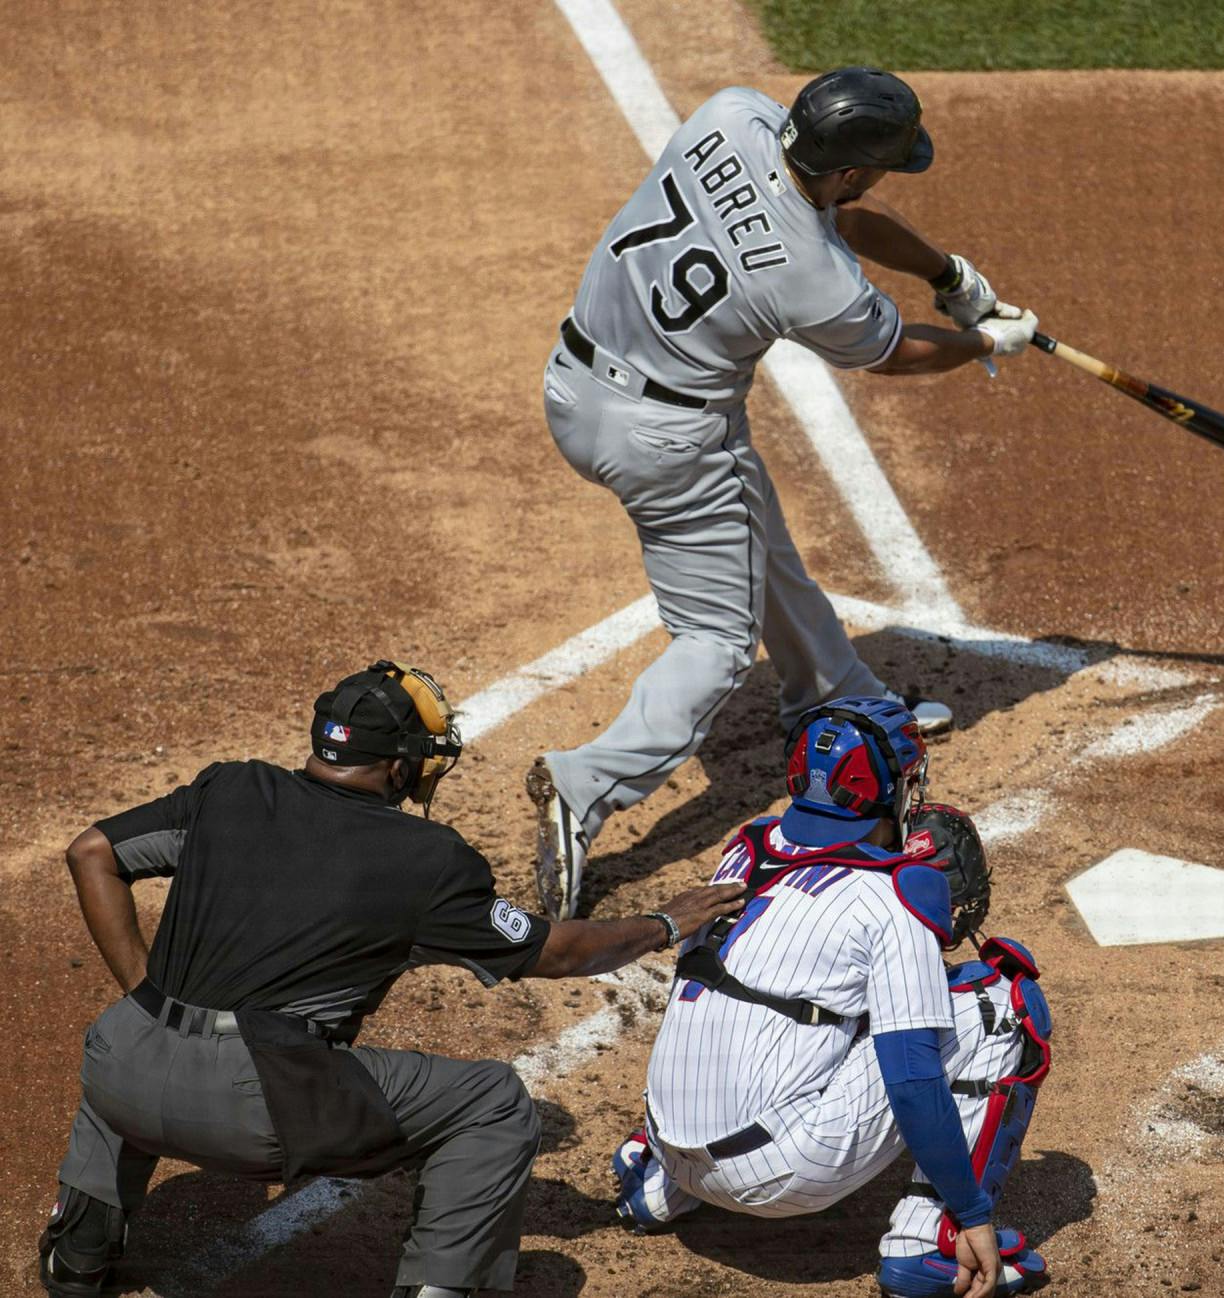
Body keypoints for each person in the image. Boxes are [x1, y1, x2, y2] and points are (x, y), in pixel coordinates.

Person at [38, 660, 745, 1298]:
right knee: (492, 1102)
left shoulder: (229, 787)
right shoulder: (428, 860)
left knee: (128, 1040)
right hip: (255, 1110)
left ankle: (77, 1255)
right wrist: (664, 923)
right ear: (399, 767)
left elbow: (92, 851)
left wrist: (145, 995)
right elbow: (557, 952)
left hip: (120, 1071)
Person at [528, 66, 1041, 921]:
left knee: (756, 532)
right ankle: (588, 785)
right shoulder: (814, 278)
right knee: (718, 643)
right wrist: (982, 339)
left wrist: (949, 274)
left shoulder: (733, 117)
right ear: (849, 170)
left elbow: (838, 214)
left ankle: (840, 696)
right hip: (666, 440)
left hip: (577, 384)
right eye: (877, 166)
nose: (878, 179)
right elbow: (891, 353)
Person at [610, 696, 1053, 1298]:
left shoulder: (746, 845)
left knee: (765, 995)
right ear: (886, 786)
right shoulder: (894, 893)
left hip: (669, 1143)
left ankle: (661, 1188)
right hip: (780, 1178)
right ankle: (929, 1245)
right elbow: (912, 1075)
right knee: (1000, 1006)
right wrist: (972, 1211)